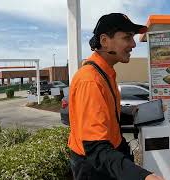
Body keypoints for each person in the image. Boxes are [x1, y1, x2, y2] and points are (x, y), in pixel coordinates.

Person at [68, 13, 164, 180]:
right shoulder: (90, 80)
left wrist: (134, 111)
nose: (133, 44)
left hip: (110, 157)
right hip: (95, 168)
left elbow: (108, 113)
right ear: (105, 41)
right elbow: (95, 149)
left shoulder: (104, 72)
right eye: (127, 37)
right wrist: (143, 177)